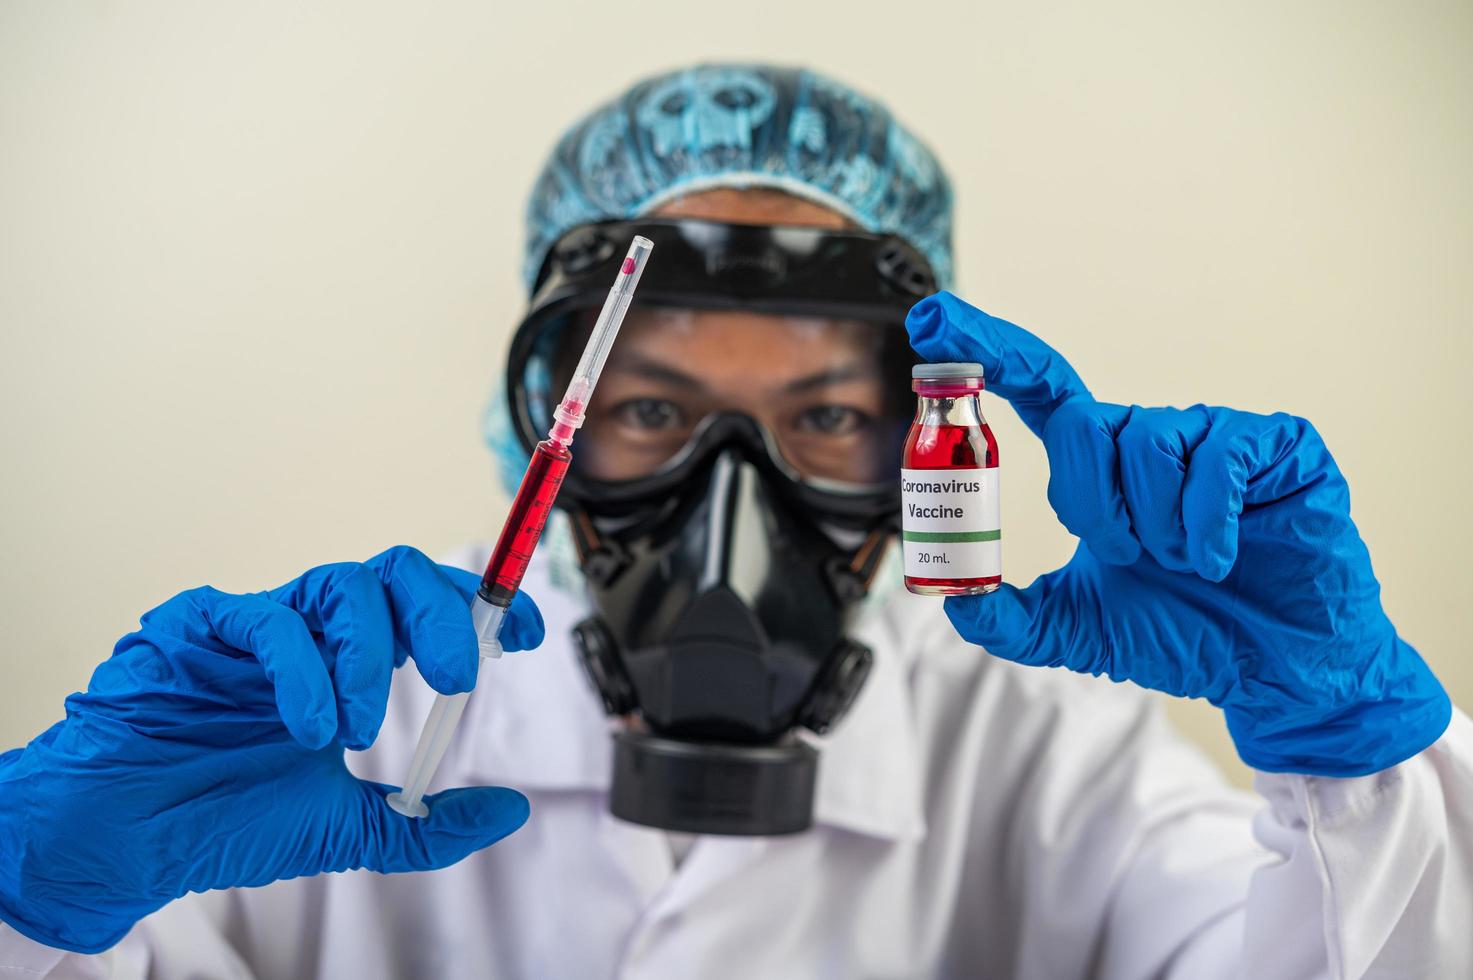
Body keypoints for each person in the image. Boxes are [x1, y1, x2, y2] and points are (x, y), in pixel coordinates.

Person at [1, 63, 1469, 979]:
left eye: (826, 417)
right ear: (541, 430)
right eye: (647, 411)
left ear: (921, 445)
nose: (731, 502)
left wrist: (1357, 764)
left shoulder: (1033, 754)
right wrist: (28, 901)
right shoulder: (343, 718)